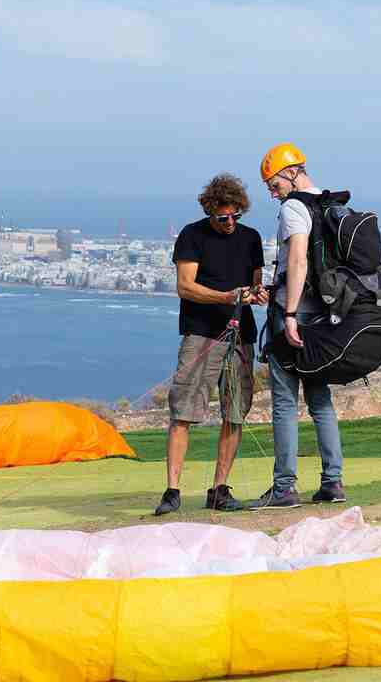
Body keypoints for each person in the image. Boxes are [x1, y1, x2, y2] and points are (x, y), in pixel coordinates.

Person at [154, 173, 267, 515]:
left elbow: (255, 284)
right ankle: (172, 491)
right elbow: (185, 287)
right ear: (210, 211)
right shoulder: (192, 235)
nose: (230, 223)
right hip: (201, 333)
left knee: (235, 413)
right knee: (183, 411)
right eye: (223, 218)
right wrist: (226, 296)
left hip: (240, 336)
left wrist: (255, 294)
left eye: (236, 216)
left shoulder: (251, 238)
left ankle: (219, 488)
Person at [251, 143, 346, 509]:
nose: (271, 192)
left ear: (291, 172)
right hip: (326, 314)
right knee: (320, 399)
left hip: (294, 314)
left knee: (285, 402)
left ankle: (284, 488)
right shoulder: (330, 204)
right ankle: (333, 482)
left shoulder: (294, 208)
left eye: (273, 182)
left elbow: (298, 260)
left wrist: (289, 314)